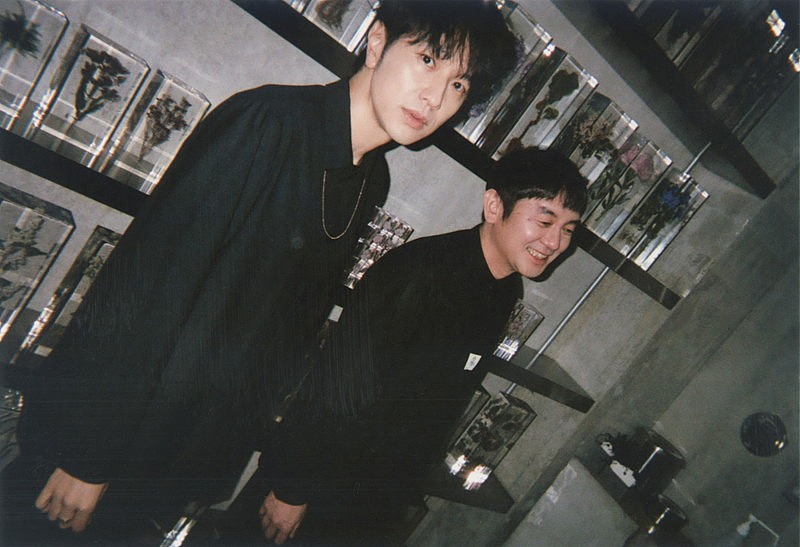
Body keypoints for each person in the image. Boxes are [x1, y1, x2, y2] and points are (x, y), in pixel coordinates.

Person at [1, 1, 517, 544]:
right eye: (428, 60)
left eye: (459, 85)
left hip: (176, 459)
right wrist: (86, 454)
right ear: (376, 42)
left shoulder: (371, 180)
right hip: (104, 444)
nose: (435, 98)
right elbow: (142, 287)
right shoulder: (269, 122)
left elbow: (280, 331)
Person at [225, 147, 588, 545]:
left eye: (568, 229)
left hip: (369, 500)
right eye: (545, 220)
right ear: (494, 205)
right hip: (310, 486)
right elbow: (334, 385)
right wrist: (290, 489)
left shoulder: (504, 289)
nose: (555, 242)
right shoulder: (420, 270)